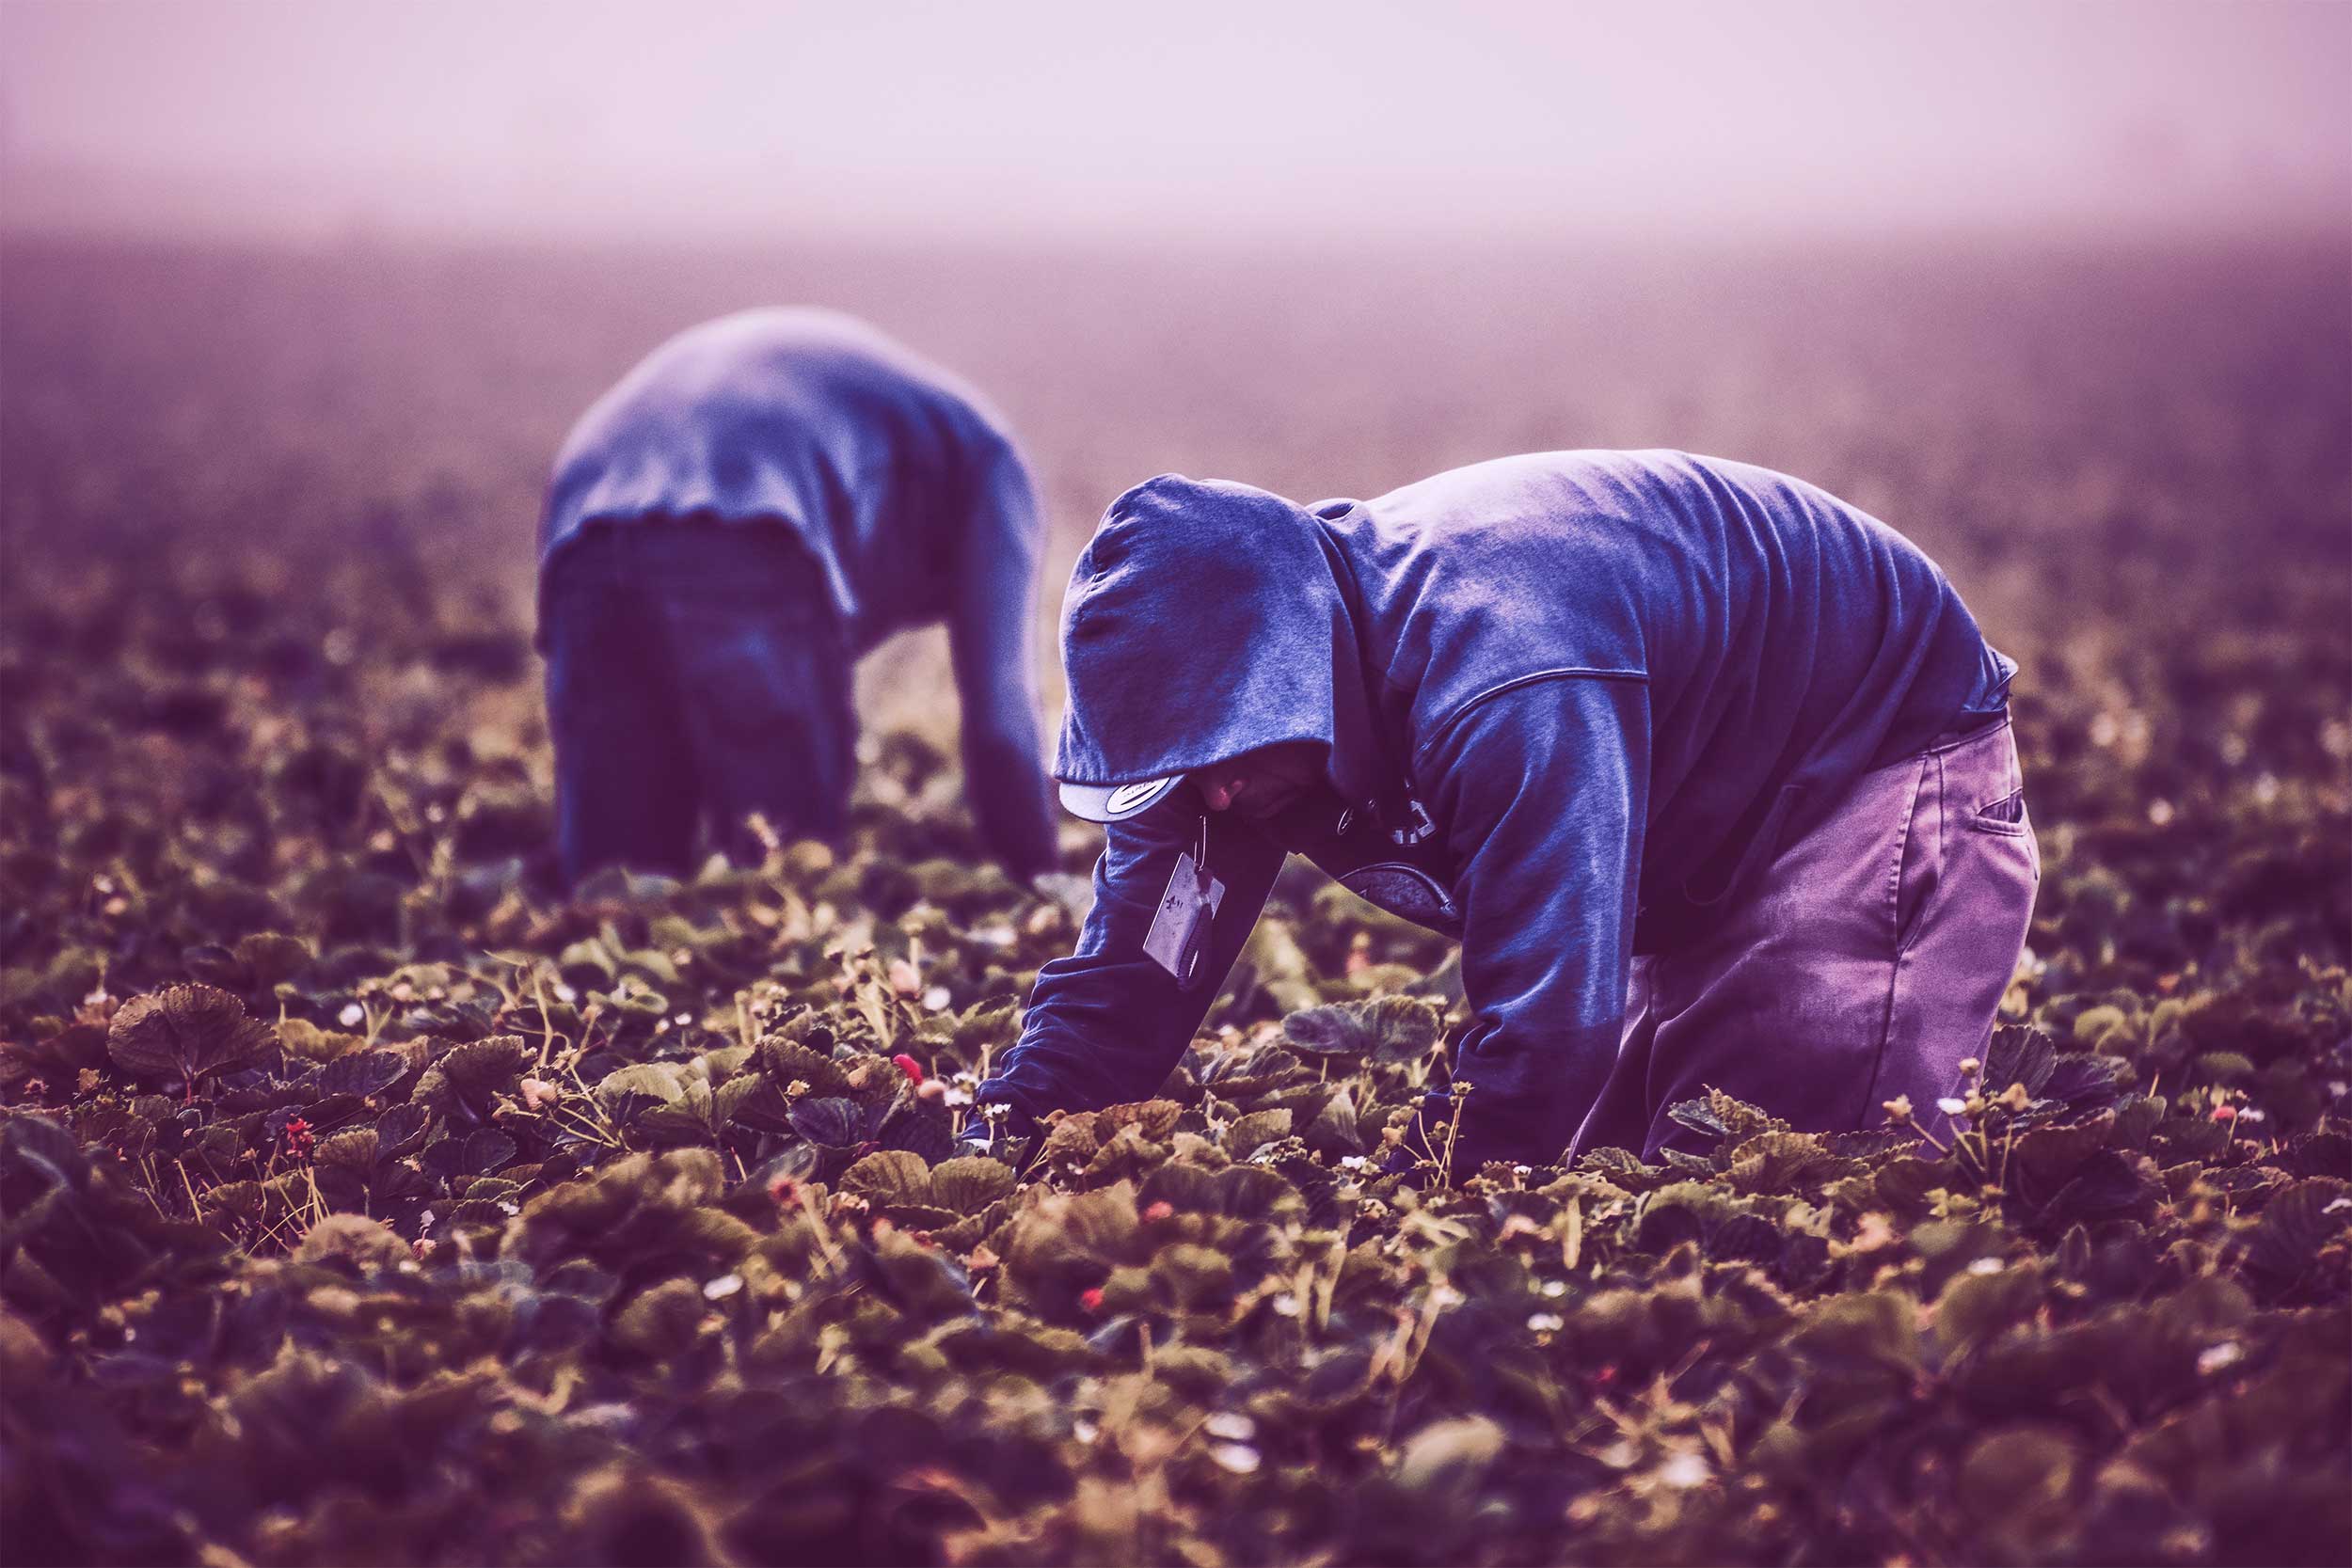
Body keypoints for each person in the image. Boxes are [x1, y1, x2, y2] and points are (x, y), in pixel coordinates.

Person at [974, 451, 2039, 1170]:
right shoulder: (1224, 756)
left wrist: (1415, 1194)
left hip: (1870, 755)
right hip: (1690, 800)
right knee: (1640, 1174)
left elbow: (1549, 1022)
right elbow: (1135, 975)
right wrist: (1004, 1132)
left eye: (1223, 749)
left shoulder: (1502, 669)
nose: (1211, 795)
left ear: (1293, 669)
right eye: (1177, 764)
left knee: (1796, 1171)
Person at [536, 308, 1057, 887]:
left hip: (582, 517)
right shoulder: (998, 470)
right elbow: (1001, 721)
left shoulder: (919, 439)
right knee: (782, 882)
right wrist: (1038, 879)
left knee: (616, 891)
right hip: (747, 516)